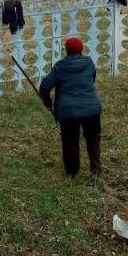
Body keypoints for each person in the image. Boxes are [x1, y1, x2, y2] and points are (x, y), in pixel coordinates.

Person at [39, 36, 103, 179]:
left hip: (68, 112)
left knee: (70, 141)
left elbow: (44, 87)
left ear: (66, 50)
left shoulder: (59, 67)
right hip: (91, 108)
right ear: (81, 49)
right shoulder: (89, 63)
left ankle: (72, 173)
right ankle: (96, 171)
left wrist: (48, 103)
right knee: (93, 139)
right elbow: (92, 78)